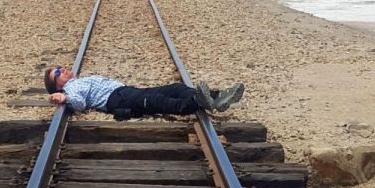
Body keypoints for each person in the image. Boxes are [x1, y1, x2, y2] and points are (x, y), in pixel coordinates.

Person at [44, 66, 243, 120]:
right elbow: (78, 104)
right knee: (156, 100)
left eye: (61, 67)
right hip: (117, 100)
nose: (64, 69)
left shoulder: (78, 81)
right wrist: (65, 98)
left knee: (175, 88)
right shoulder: (71, 88)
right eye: (58, 73)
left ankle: (217, 97)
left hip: (125, 92)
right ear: (58, 86)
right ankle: (196, 102)